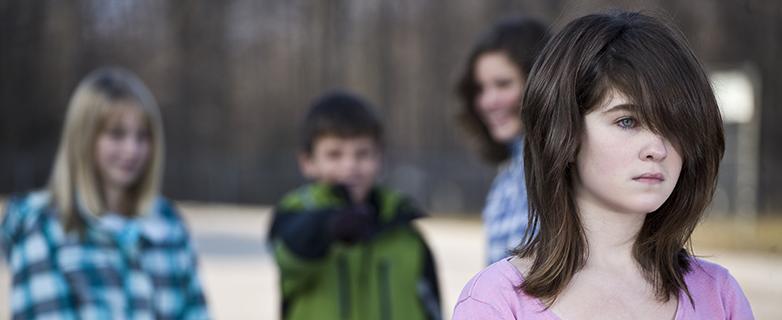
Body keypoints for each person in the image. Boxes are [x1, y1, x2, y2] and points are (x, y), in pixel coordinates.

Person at [453, 11, 754, 319]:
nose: (658, 149)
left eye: (674, 126)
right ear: (563, 133)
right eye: (627, 121)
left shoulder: (720, 296)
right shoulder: (494, 302)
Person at [0, 68, 210, 319]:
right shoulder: (42, 229)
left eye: (142, 135)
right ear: (83, 137)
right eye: (116, 134)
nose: (132, 149)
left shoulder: (170, 227)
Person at [268, 91, 441, 320]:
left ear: (380, 157)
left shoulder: (405, 232)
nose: (350, 165)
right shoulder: (295, 215)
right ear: (308, 162)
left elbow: (432, 308)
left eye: (362, 153)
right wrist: (327, 228)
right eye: (334, 154)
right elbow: (289, 255)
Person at [455, 17, 551, 265]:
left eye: (503, 84)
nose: (488, 101)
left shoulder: (562, 168)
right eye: (481, 88)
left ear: (541, 82)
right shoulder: (506, 177)